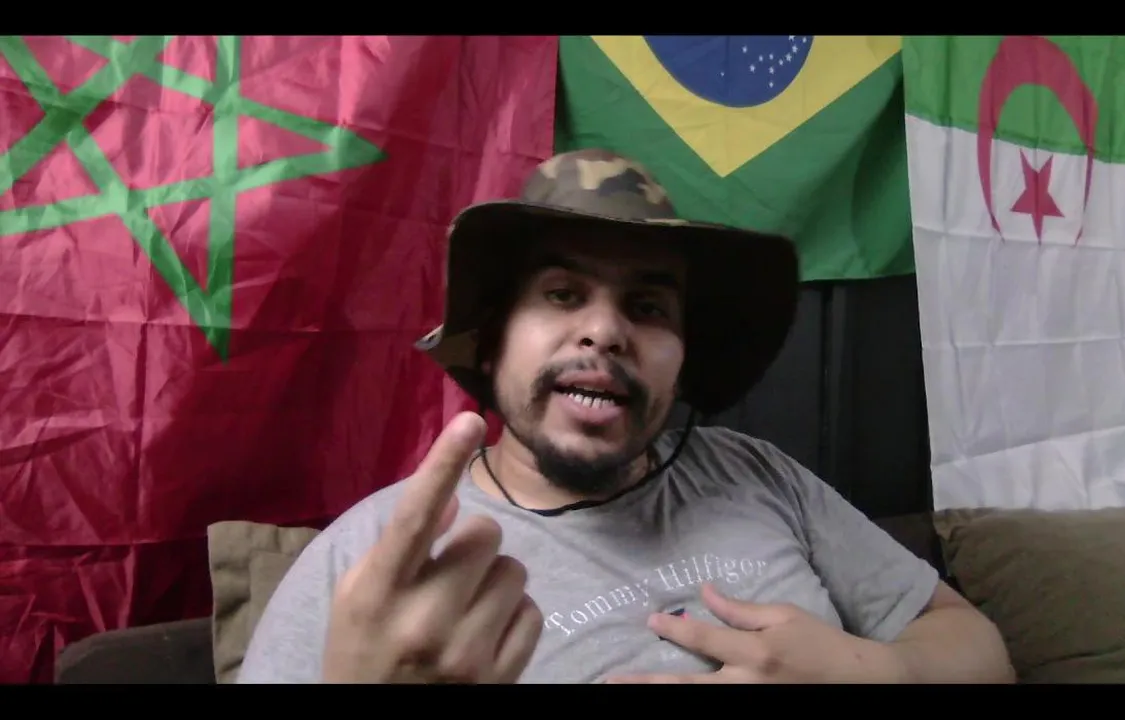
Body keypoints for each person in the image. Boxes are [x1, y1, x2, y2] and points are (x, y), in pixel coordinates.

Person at [237, 149, 1015, 684]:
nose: (606, 332)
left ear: (682, 360)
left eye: (646, 307)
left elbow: (979, 649)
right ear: (493, 341)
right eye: (562, 295)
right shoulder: (369, 562)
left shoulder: (757, 474)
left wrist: (874, 671)